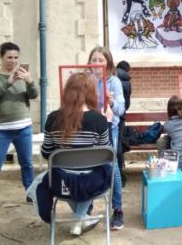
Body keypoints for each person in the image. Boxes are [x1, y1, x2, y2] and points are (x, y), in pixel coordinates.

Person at [38, 73, 112, 236]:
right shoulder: (99, 120)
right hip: (91, 182)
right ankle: (79, 220)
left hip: (61, 182)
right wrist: (109, 123)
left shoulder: (52, 118)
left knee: (69, 180)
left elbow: (46, 153)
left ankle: (79, 219)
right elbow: (107, 153)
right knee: (94, 175)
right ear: (90, 93)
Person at [0, 42, 38, 217]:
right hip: (0, 130)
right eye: (9, 57)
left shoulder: (22, 75)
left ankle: (31, 194)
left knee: (27, 164)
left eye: (16, 58)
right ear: (1, 58)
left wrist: (30, 81)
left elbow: (33, 95)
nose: (13, 61)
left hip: (23, 127)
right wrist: (8, 83)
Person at [87, 46, 125, 230]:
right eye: (94, 60)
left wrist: (112, 102)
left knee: (113, 167)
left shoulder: (114, 82)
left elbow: (121, 110)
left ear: (108, 63)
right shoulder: (87, 80)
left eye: (101, 60)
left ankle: (117, 209)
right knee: (89, 166)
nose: (97, 63)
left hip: (111, 129)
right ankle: (87, 206)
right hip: (90, 129)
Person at [116, 60, 132, 180]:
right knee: (118, 144)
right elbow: (127, 104)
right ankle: (119, 173)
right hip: (120, 116)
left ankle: (115, 173)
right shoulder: (127, 82)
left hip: (109, 115)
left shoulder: (112, 79)